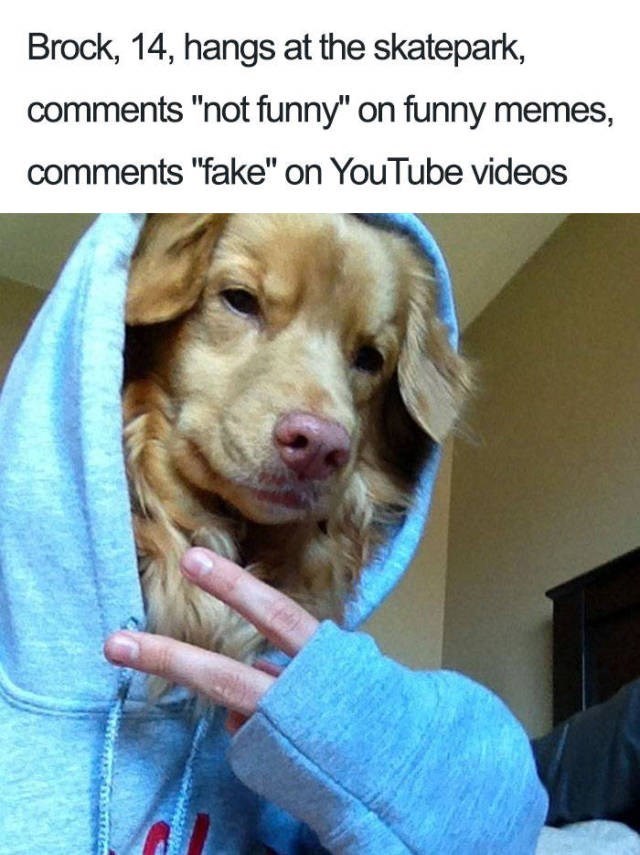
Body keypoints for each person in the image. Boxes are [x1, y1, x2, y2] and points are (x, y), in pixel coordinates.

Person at [0, 213, 547, 854]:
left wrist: (361, 729)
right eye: (241, 300)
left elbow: (508, 826)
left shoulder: (294, 709)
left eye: (365, 358)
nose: (324, 420)